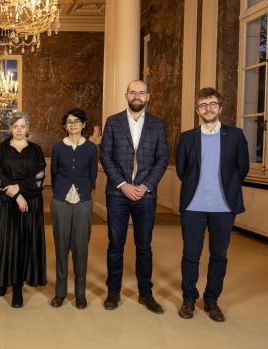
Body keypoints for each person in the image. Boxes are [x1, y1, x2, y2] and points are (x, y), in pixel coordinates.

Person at [175, 87, 249, 322]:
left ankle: (211, 301)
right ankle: (188, 300)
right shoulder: (187, 138)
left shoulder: (235, 135)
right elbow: (182, 170)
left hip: (224, 208)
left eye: (212, 104)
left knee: (219, 256)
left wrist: (227, 187)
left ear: (220, 107)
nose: (208, 109)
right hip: (193, 206)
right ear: (197, 109)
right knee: (191, 255)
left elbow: (242, 168)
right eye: (203, 105)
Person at [100, 80, 169, 314]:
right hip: (118, 194)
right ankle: (113, 292)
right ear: (126, 95)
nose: (137, 95)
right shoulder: (113, 122)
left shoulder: (158, 125)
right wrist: (123, 185)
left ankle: (145, 294)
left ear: (148, 96)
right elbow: (106, 156)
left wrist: (145, 185)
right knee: (115, 244)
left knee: (144, 246)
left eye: (141, 92)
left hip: (145, 195)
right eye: (133, 92)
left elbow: (162, 158)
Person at [0, 111, 47, 308]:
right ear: (10, 129)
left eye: (22, 126)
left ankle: (18, 288)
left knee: (23, 245)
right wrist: (16, 194)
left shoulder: (36, 150)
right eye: (15, 126)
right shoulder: (1, 149)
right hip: (5, 203)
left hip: (30, 204)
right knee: (5, 243)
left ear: (28, 128)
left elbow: (40, 177)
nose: (19, 130)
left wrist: (19, 189)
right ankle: (3, 279)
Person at [50, 108, 97, 309]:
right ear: (65, 125)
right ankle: (60, 292)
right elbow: (54, 173)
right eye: (69, 122)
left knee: (81, 250)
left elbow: (93, 174)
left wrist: (83, 191)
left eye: (77, 121)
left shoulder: (91, 148)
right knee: (61, 249)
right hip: (60, 202)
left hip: (83, 203)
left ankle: (80, 294)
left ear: (84, 124)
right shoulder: (58, 147)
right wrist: (62, 191)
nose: (73, 125)